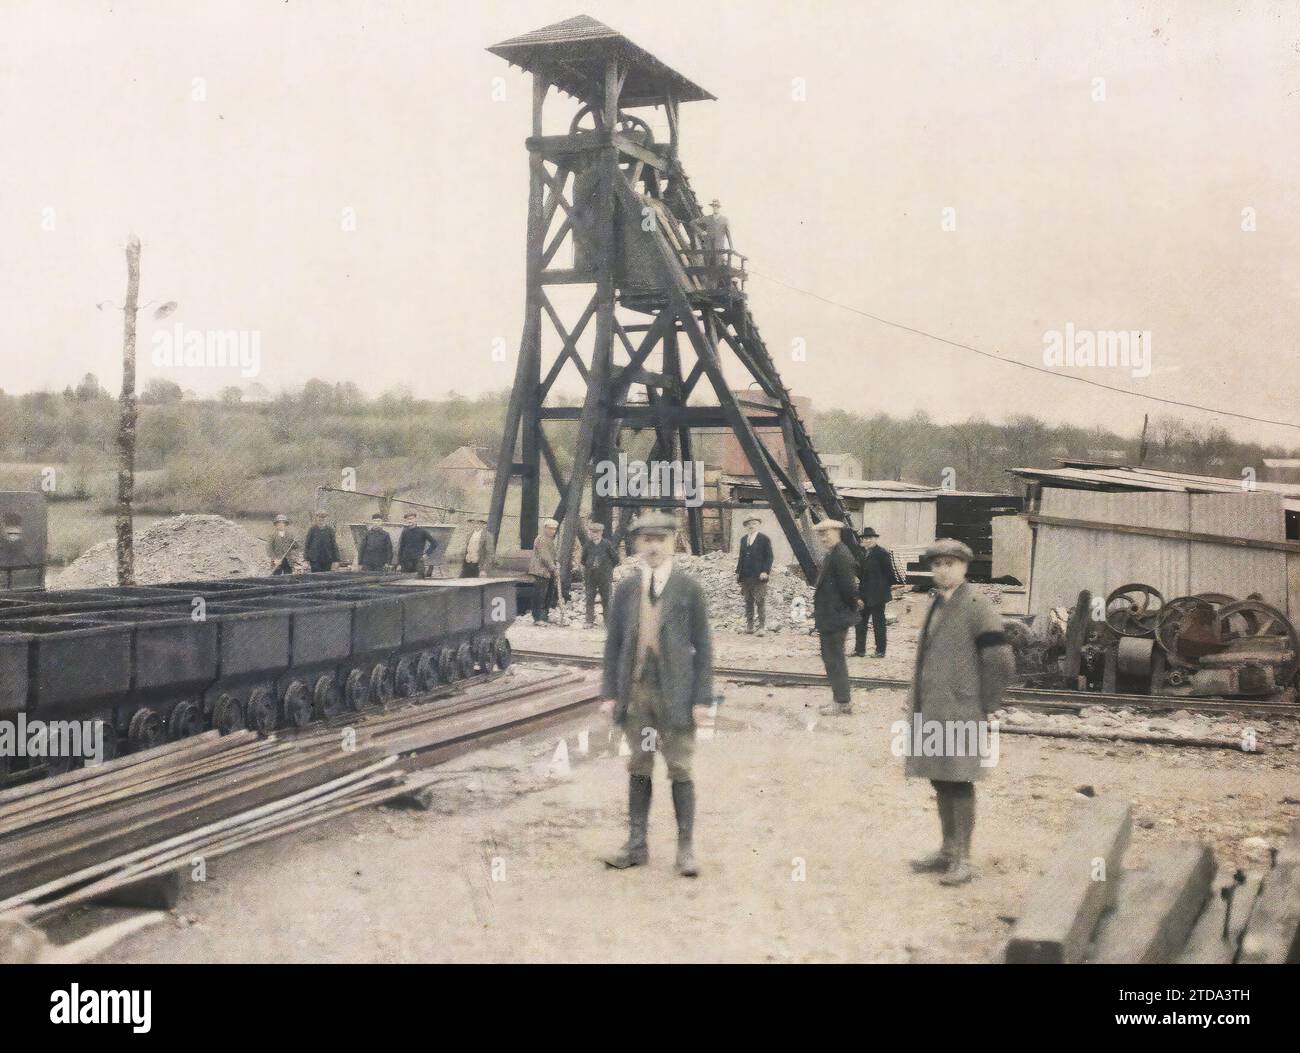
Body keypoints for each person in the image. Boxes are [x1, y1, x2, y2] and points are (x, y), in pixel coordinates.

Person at [599, 511, 714, 877]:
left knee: (679, 768)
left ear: (673, 543)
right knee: (639, 766)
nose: (653, 547)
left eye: (660, 540)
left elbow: (705, 647)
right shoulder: (626, 590)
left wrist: (701, 699)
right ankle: (636, 845)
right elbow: (614, 645)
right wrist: (609, 693)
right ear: (636, 545)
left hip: (676, 695)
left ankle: (685, 850)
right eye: (646, 540)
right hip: (637, 694)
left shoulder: (688, 589)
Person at [905, 539, 1014, 886]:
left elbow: (1000, 659)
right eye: (937, 564)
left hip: (963, 708)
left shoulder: (977, 605)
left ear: (965, 568)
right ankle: (947, 851)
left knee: (960, 780)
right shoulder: (937, 603)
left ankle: (964, 859)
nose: (943, 570)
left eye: (950, 564)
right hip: (936, 706)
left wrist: (989, 703)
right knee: (941, 778)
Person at [812, 519, 861, 716]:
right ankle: (840, 700)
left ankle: (842, 702)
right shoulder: (833, 554)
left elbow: (848, 588)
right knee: (832, 659)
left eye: (827, 533)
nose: (823, 538)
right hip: (831, 617)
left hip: (835, 617)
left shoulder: (840, 555)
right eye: (821, 534)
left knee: (835, 660)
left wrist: (848, 609)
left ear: (837, 532)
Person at [853, 526, 904, 658]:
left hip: (877, 595)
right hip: (864, 594)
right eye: (865, 538)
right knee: (860, 622)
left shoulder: (882, 553)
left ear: (875, 539)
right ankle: (860, 650)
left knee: (878, 624)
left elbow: (890, 574)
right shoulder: (862, 553)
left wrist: (881, 589)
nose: (867, 540)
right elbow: (860, 574)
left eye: (870, 538)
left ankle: (880, 651)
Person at [735, 514, 773, 634]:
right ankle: (750, 626)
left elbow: (769, 557)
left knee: (760, 601)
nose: (751, 526)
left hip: (758, 576)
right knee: (748, 601)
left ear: (758, 524)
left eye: (754, 523)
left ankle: (761, 627)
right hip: (746, 576)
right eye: (749, 524)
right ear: (746, 526)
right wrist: (738, 572)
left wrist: (765, 571)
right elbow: (741, 557)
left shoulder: (764, 539)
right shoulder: (743, 539)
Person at [579, 519, 619, 627]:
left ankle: (608, 622)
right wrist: (590, 566)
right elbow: (583, 560)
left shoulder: (607, 545)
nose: (594, 534)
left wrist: (607, 569)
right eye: (592, 532)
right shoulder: (587, 545)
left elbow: (615, 559)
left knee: (606, 598)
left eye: (596, 532)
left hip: (604, 577)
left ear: (601, 533)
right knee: (589, 598)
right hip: (590, 576)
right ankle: (589, 621)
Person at [690, 198, 732, 286]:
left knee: (717, 268)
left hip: (719, 249)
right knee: (707, 267)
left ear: (719, 207)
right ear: (712, 207)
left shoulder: (725, 220)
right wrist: (701, 232)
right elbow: (692, 223)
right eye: (713, 206)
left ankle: (714, 287)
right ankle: (707, 287)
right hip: (708, 247)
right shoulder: (707, 218)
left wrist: (731, 248)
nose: (715, 208)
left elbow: (728, 235)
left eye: (716, 206)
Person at [527, 518, 560, 623]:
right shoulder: (542, 539)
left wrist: (556, 562)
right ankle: (538, 618)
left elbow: (552, 556)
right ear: (545, 528)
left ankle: (544, 616)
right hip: (541, 571)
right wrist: (553, 568)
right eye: (550, 529)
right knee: (540, 595)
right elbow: (545, 557)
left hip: (548, 572)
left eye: (554, 529)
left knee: (548, 595)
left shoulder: (550, 540)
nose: (553, 531)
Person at [396, 510, 438, 575]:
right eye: (408, 519)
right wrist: (399, 563)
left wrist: (426, 554)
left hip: (418, 562)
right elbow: (401, 548)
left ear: (415, 519)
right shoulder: (405, 532)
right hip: (406, 563)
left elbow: (434, 543)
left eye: (411, 519)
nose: (409, 521)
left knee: (419, 580)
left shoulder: (422, 531)